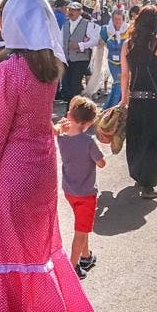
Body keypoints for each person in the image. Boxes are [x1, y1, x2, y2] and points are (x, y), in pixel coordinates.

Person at [0, 0, 102, 312]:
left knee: (8, 261)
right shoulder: (50, 67)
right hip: (41, 171)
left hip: (11, 173)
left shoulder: (8, 70)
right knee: (37, 258)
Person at [121, 6, 157, 199]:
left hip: (135, 99)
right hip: (155, 101)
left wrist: (123, 99)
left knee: (136, 138)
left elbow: (125, 74)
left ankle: (137, 174)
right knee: (154, 142)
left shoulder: (128, 44)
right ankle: (148, 185)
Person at [55, 96, 105, 278]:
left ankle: (86, 256)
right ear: (90, 123)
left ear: (69, 115)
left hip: (69, 190)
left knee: (81, 225)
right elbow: (101, 163)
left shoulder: (61, 138)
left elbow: (58, 130)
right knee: (81, 231)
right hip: (86, 193)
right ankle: (73, 266)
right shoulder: (88, 142)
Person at [61, 2, 100, 101]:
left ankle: (74, 110)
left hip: (80, 59)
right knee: (66, 87)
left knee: (75, 86)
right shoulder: (65, 25)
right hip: (67, 59)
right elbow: (60, 41)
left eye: (73, 10)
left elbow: (95, 40)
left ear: (79, 11)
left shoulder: (87, 24)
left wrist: (80, 45)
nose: (70, 12)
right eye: (69, 9)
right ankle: (71, 109)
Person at [99, 10, 128, 108]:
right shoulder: (106, 30)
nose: (117, 21)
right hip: (112, 62)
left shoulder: (129, 31)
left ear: (123, 20)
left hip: (125, 62)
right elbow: (99, 43)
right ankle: (113, 106)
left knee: (123, 83)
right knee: (118, 81)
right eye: (115, 19)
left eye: (119, 19)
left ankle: (117, 106)